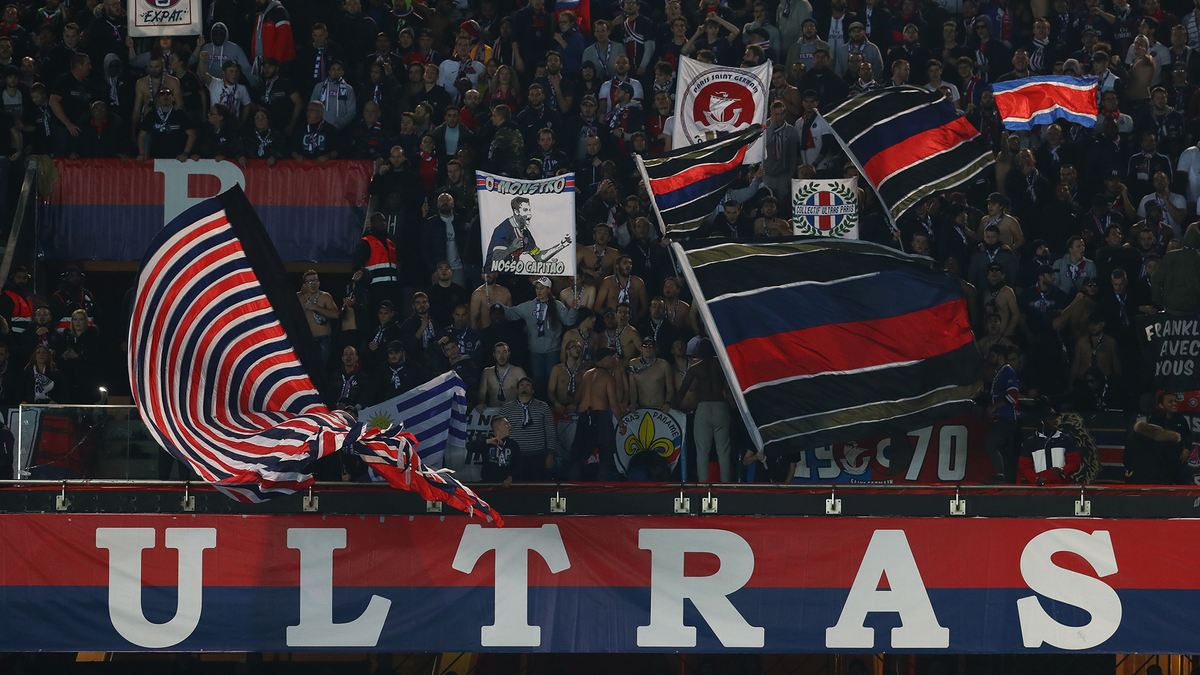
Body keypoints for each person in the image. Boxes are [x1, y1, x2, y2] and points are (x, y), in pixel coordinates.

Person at [671, 338, 731, 483]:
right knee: (724, 451)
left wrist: (671, 406)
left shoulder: (696, 368)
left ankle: (703, 484)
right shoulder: (722, 366)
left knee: (702, 451)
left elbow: (682, 392)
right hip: (721, 407)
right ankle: (726, 484)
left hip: (703, 409)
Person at [503, 277, 578, 393]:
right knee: (537, 380)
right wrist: (493, 303)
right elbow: (511, 313)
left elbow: (568, 320)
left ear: (549, 289)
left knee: (551, 379)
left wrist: (573, 308)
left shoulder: (557, 305)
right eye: (537, 288)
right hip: (535, 350)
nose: (538, 291)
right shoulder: (529, 305)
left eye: (542, 288)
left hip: (552, 350)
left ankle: (552, 405)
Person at [573, 347, 626, 480]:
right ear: (606, 359)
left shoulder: (586, 374)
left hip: (584, 416)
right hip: (600, 416)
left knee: (579, 456)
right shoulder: (607, 376)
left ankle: (570, 489)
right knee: (605, 455)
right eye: (613, 357)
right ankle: (601, 490)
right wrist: (621, 424)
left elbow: (577, 397)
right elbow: (613, 403)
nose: (615, 360)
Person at [486, 196, 572, 272]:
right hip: (495, 275)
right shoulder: (503, 230)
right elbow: (495, 260)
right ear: (516, 212)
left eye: (529, 210)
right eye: (525, 210)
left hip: (512, 274)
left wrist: (561, 245)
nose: (529, 214)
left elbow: (539, 257)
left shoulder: (525, 232)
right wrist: (511, 248)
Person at [499, 376, 557, 479]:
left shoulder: (543, 406)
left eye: (528, 385)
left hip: (538, 455)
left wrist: (550, 454)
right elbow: (500, 432)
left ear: (533, 390)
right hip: (515, 455)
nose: (524, 387)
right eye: (521, 385)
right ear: (517, 390)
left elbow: (550, 431)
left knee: (537, 488)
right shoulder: (506, 408)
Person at [983, 344, 1021, 483]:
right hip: (1005, 419)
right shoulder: (1000, 373)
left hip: (1005, 418)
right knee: (1006, 451)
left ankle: (1000, 475)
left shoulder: (1008, 372)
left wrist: (994, 407)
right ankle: (1009, 481)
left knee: (991, 445)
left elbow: (1013, 395)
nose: (989, 359)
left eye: (992, 356)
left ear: (1000, 356)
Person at [1018, 403, 1080, 485]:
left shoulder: (1065, 439)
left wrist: (1062, 470)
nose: (1054, 421)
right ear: (1042, 421)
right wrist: (1035, 479)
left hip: (1062, 487)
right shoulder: (1031, 442)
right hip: (1038, 489)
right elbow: (1024, 466)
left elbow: (1074, 461)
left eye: (1055, 418)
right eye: (1050, 418)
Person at [136, 89, 195, 161]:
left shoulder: (181, 114)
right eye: (162, 94)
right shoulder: (152, 115)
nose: (165, 96)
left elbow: (191, 134)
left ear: (173, 98)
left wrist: (185, 153)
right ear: (158, 99)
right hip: (156, 158)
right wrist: (142, 153)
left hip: (177, 158)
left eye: (168, 93)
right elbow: (141, 135)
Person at [297, 270, 339, 369]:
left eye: (315, 281)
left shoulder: (325, 296)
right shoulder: (299, 298)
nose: (313, 284)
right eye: (310, 282)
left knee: (323, 369)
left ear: (319, 283)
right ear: (305, 285)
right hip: (307, 339)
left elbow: (336, 314)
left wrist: (315, 307)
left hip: (323, 339)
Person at [368, 340, 433, 403]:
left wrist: (442, 377)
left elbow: (429, 377)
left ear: (403, 353)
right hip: (389, 408)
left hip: (409, 405)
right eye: (391, 353)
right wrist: (360, 405)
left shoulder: (413, 366)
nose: (393, 356)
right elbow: (373, 388)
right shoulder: (383, 368)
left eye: (396, 353)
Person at [467, 415, 521, 485]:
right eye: (506, 424)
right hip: (488, 484)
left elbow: (518, 464)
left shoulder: (513, 444)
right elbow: (469, 446)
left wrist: (511, 477)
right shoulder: (486, 441)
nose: (510, 426)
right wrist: (488, 441)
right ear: (498, 427)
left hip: (507, 485)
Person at [626, 336, 675, 412]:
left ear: (656, 349)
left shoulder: (664, 365)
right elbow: (633, 388)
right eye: (645, 346)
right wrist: (632, 403)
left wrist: (667, 403)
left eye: (651, 346)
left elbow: (670, 388)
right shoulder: (633, 364)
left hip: (660, 408)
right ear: (641, 349)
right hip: (641, 408)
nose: (648, 348)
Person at [477, 341, 529, 410]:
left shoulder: (518, 371)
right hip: (493, 412)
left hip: (513, 411)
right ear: (494, 355)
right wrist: (481, 403)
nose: (502, 356)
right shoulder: (487, 372)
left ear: (509, 354)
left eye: (504, 352)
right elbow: (481, 393)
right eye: (498, 353)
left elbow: (527, 390)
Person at [549, 338, 585, 413]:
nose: (578, 349)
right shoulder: (557, 369)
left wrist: (575, 404)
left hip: (576, 406)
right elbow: (550, 391)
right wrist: (556, 403)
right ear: (567, 351)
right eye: (574, 347)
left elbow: (583, 392)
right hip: (560, 406)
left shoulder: (583, 371)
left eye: (580, 347)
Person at [327, 345, 367, 412]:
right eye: (346, 354)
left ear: (356, 358)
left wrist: (351, 408)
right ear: (342, 358)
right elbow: (329, 393)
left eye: (351, 354)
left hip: (354, 412)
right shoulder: (335, 375)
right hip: (334, 410)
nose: (348, 357)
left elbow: (364, 397)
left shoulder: (363, 377)